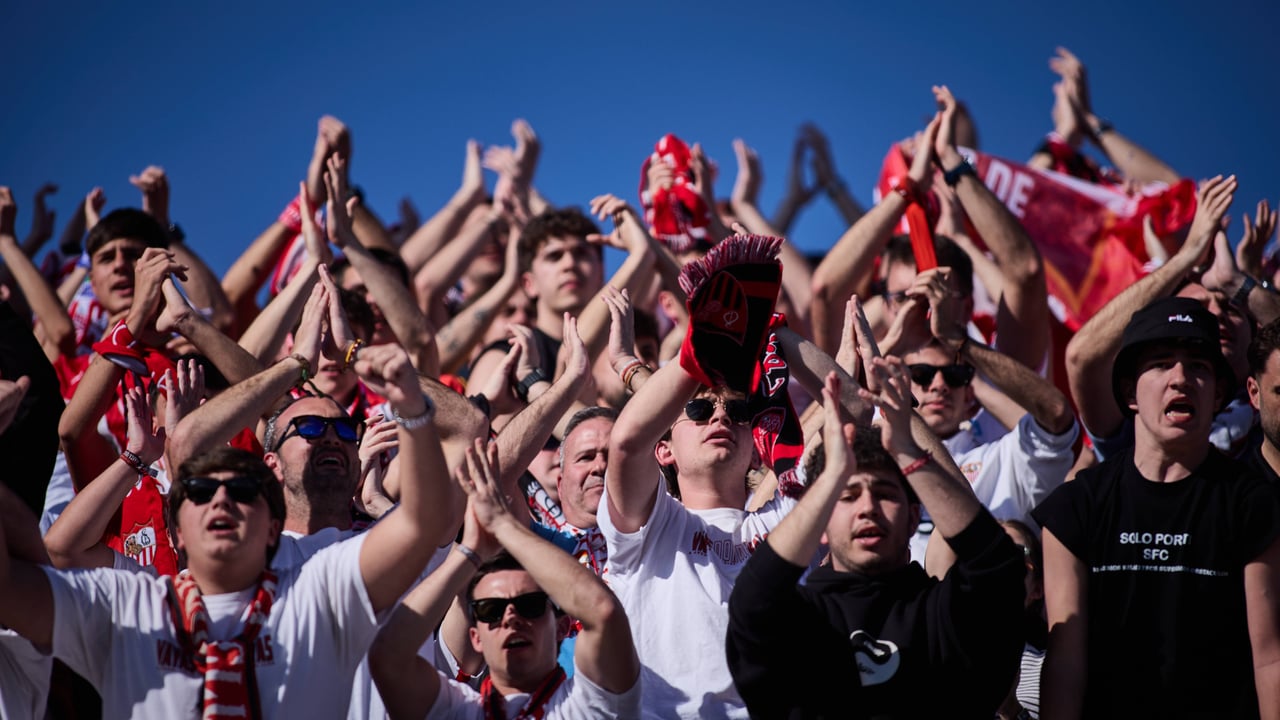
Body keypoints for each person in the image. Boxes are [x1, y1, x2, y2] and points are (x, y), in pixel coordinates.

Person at [0, 339, 453, 717]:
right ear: (175, 531)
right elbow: (17, 580)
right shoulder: (129, 604)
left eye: (241, 490)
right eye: (198, 491)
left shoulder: (316, 591)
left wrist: (412, 407)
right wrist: (295, 365)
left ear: (273, 528)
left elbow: (420, 522)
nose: (219, 498)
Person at [726, 368, 1025, 718]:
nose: (868, 508)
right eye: (847, 495)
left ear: (915, 517)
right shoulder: (799, 621)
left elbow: (999, 568)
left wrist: (908, 451)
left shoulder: (945, 615)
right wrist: (831, 474)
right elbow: (751, 602)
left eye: (884, 494)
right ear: (820, 520)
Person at [1034, 296, 1280, 719]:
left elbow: (1270, 658)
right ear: (1130, 391)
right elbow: (1066, 661)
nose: (1181, 378)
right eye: (1162, 363)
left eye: (1199, 367)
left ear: (1220, 393)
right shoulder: (1075, 507)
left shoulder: (1256, 504)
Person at [368, 440, 640, 719]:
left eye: (529, 605)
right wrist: (469, 553)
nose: (510, 617)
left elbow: (603, 611)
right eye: (491, 610)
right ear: (476, 638)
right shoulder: (458, 710)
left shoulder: (592, 704)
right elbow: (388, 656)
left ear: (561, 628)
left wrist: (502, 524)